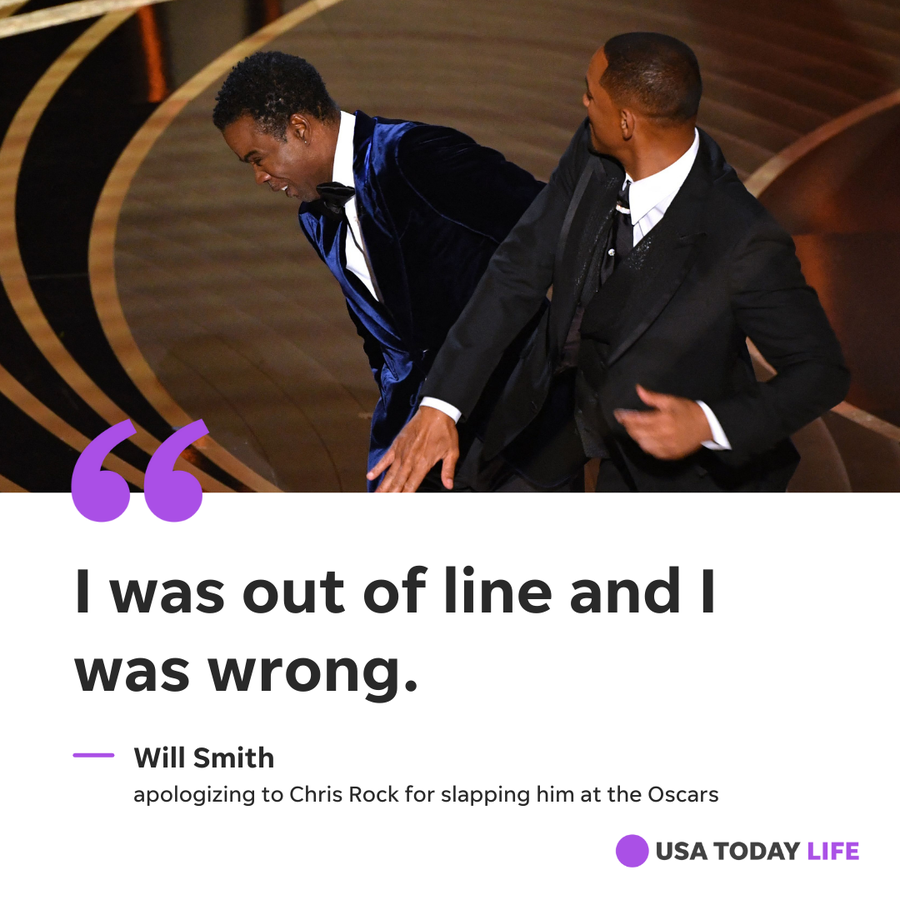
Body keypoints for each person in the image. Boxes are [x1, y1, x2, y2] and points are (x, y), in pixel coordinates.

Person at [368, 32, 850, 493]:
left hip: (674, 471)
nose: (583, 103)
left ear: (626, 123)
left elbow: (821, 371)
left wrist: (707, 423)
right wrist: (441, 405)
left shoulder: (742, 239)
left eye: (590, 95)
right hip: (560, 407)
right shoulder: (592, 151)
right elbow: (517, 270)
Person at [213, 51, 544, 490]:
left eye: (258, 158)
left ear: (299, 128)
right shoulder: (315, 218)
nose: (259, 177)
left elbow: (547, 222)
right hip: (412, 431)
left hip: (516, 426)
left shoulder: (414, 155)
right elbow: (380, 337)